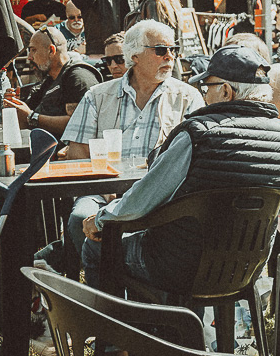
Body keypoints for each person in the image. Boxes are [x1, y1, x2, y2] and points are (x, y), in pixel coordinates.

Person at [80, 45, 280, 299]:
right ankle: (175, 330)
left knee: (96, 246)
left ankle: (117, 335)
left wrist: (100, 219)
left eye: (207, 88)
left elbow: (143, 199)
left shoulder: (199, 134)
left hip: (178, 268)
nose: (204, 95)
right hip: (247, 270)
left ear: (226, 91)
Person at [60, 20, 205, 285]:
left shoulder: (188, 97)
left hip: (159, 198)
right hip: (101, 193)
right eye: (161, 50)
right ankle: (107, 307)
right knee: (81, 217)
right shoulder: (98, 95)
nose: (170, 56)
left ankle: (134, 296)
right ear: (134, 55)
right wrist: (104, 189)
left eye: (173, 48)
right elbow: (77, 153)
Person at [4, 27, 100, 136]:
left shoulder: (79, 77)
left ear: (51, 50)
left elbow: (79, 124)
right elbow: (24, 122)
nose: (29, 57)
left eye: (33, 50)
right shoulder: (49, 81)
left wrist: (32, 117)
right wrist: (14, 106)